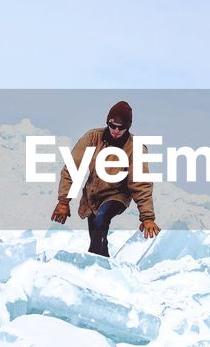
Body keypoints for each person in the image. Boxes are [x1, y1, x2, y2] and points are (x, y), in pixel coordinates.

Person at [50, 100, 162, 256]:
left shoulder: (135, 148)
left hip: (117, 196)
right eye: (112, 126)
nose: (116, 131)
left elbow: (141, 184)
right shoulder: (92, 138)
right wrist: (63, 201)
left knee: (102, 219)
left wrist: (147, 217)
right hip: (92, 196)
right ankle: (103, 265)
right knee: (97, 239)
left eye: (121, 128)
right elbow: (72, 168)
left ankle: (90, 264)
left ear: (128, 127)